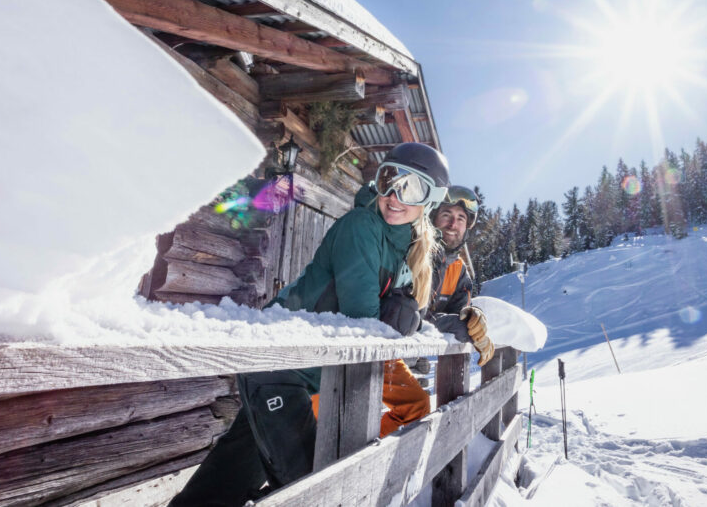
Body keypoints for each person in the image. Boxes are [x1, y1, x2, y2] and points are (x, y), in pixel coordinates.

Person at [169, 142, 449, 507]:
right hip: (280, 363)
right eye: (389, 180)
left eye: (412, 188)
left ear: (431, 200)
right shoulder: (362, 225)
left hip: (301, 371)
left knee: (221, 483)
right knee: (312, 493)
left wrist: (424, 323)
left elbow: (402, 319)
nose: (395, 195)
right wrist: (399, 323)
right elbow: (362, 322)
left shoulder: (407, 249)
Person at [427, 186, 494, 366]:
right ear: (433, 218)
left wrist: (474, 320)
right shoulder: (416, 255)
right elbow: (409, 317)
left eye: (460, 218)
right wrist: (456, 325)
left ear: (467, 228)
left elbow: (459, 315)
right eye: (446, 215)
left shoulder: (459, 270)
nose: (452, 225)